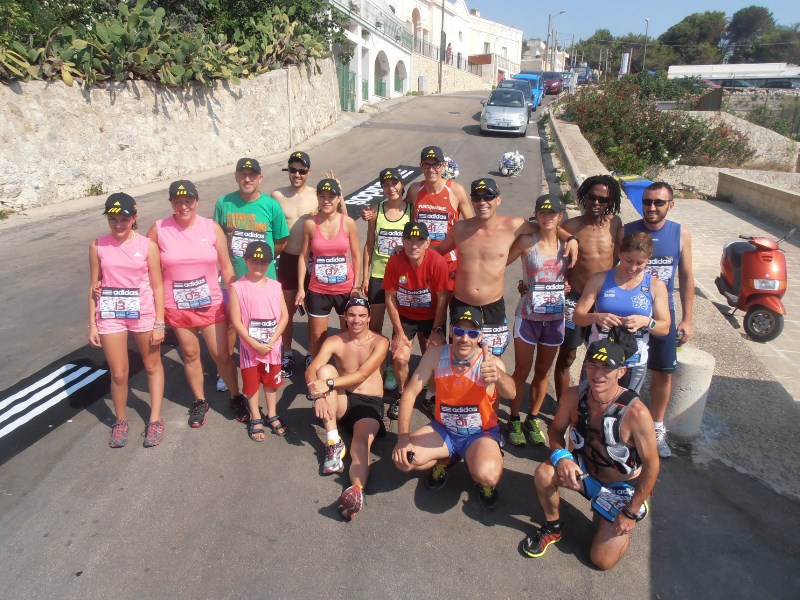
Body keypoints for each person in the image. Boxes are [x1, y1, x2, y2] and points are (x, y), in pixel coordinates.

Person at [521, 340, 660, 571]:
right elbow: (555, 431)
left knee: (601, 561)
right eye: (593, 365)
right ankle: (553, 527)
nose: (597, 374)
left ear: (621, 372)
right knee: (544, 474)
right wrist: (562, 457)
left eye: (607, 368)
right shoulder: (573, 396)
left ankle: (620, 525)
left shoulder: (636, 413)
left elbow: (652, 466)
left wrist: (630, 512)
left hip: (620, 487)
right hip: (584, 471)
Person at [392, 306, 516, 509]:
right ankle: (448, 458)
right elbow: (410, 392)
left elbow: (511, 393)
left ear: (480, 336)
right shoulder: (435, 355)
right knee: (404, 460)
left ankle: (483, 471)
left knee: (488, 475)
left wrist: (499, 376)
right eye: (459, 331)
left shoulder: (491, 363)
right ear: (451, 331)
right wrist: (403, 438)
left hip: (480, 434)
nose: (464, 338)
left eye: (472, 333)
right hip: (444, 430)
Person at [147, 180, 246, 428]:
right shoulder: (159, 229)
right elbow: (146, 267)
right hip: (177, 306)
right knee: (190, 355)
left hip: (210, 303)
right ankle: (200, 401)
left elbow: (226, 267)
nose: (183, 206)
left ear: (197, 202)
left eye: (188, 201)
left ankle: (236, 396)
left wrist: (234, 299)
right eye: (178, 201)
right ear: (171, 203)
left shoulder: (211, 228)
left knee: (221, 355)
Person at [621, 181, 694, 458]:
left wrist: (687, 319)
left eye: (659, 202)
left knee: (663, 373)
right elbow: (614, 269)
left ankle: (657, 426)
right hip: (631, 312)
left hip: (664, 314)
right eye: (647, 201)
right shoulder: (627, 230)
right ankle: (622, 423)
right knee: (625, 370)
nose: (652, 207)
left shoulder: (680, 233)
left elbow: (686, 276)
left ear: (670, 205)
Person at [88, 193, 166, 448]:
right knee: (119, 373)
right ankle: (120, 420)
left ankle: (154, 419)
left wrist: (159, 323)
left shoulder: (147, 246)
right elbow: (94, 286)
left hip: (143, 313)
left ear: (134, 218)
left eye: (124, 219)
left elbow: (157, 286)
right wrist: (92, 323)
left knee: (152, 366)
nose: (118, 225)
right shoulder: (97, 246)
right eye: (113, 219)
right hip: (111, 315)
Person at [305, 297, 390, 520]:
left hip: (368, 403)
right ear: (344, 317)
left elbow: (362, 374)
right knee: (324, 370)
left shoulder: (380, 342)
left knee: (360, 443)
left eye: (362, 315)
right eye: (351, 315)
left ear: (369, 317)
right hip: (342, 399)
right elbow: (312, 369)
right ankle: (334, 441)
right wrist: (319, 395)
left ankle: (356, 490)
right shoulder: (335, 340)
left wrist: (327, 385)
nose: (356, 320)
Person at [213, 157, 289, 395]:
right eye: (243, 175)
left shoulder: (271, 205)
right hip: (233, 279)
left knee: (265, 322)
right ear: (236, 177)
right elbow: (217, 239)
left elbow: (281, 241)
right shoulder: (223, 203)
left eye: (252, 175)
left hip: (264, 280)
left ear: (260, 178)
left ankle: (266, 363)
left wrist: (260, 263)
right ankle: (225, 370)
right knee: (230, 324)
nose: (247, 179)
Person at [505, 195, 568, 447]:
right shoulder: (526, 242)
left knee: (543, 372)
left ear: (560, 216)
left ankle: (532, 418)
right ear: (536, 215)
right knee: (521, 371)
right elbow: (499, 262)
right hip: (528, 316)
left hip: (554, 319)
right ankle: (514, 418)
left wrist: (570, 286)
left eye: (552, 213)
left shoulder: (568, 246)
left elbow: (578, 274)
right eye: (542, 212)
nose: (547, 217)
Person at [553, 175, 623, 402]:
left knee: (602, 357)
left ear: (611, 201)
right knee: (567, 356)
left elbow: (623, 257)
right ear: (584, 196)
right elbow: (550, 234)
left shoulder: (615, 224)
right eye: (591, 197)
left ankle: (594, 403)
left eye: (603, 199)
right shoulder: (571, 226)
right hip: (575, 299)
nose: (596, 202)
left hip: (604, 302)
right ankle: (564, 404)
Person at [573, 231, 670, 393]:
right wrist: (597, 317)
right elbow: (577, 317)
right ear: (620, 254)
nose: (633, 268)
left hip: (633, 361)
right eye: (628, 260)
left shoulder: (655, 285)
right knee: (589, 402)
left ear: (648, 260)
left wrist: (646, 321)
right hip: (599, 358)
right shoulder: (600, 279)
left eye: (640, 263)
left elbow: (664, 327)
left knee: (624, 406)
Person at [382, 221, 449, 417]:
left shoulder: (438, 262)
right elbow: (390, 298)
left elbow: (443, 298)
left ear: (428, 242)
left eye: (419, 240)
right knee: (400, 357)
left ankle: (430, 396)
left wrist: (437, 330)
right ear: (402, 242)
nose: (414, 245)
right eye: (409, 240)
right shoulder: (395, 261)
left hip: (431, 317)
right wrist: (399, 332)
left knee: (436, 356)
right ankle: (402, 395)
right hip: (406, 317)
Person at [296, 178, 362, 364]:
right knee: (317, 335)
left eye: (331, 197)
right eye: (322, 196)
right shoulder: (310, 224)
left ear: (338, 198)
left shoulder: (348, 223)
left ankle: (345, 368)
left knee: (347, 334)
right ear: (317, 198)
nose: (326, 201)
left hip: (345, 289)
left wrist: (356, 286)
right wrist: (301, 288)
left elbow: (356, 256)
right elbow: (303, 256)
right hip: (318, 289)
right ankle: (316, 368)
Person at [228, 241, 290, 441]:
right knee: (251, 384)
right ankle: (255, 415)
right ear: (246, 260)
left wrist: (273, 339)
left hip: (272, 346)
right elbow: (236, 321)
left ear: (270, 263)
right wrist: (253, 343)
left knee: (271, 382)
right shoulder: (237, 287)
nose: (258, 265)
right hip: (250, 348)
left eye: (263, 262)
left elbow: (284, 317)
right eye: (254, 260)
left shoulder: (276, 286)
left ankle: (272, 413)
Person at [361, 167, 413, 390]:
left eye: (394, 183)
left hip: (402, 277)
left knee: (397, 324)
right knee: (375, 324)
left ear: (402, 185)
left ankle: (392, 366)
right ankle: (375, 364)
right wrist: (365, 276)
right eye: (386, 185)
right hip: (378, 275)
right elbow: (369, 245)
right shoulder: (376, 211)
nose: (391, 188)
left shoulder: (411, 211)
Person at [271, 151, 318, 378]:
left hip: (311, 260)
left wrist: (340, 196)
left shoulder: (317, 195)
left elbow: (339, 217)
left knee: (313, 312)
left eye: (302, 171)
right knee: (286, 312)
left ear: (308, 172)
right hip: (288, 259)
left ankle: (310, 353)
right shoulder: (277, 196)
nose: (297, 174)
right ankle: (287, 354)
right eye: (293, 170)